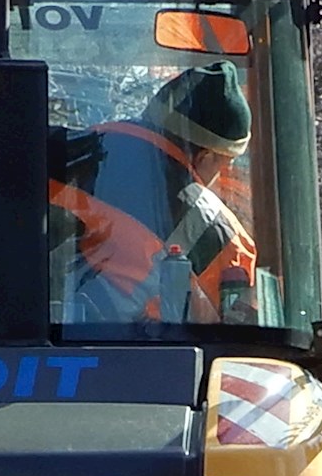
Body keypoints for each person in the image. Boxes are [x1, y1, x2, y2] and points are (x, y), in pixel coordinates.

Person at [58, 61, 264, 326]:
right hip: (134, 361)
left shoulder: (66, 152)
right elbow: (236, 335)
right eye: (226, 162)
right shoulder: (216, 231)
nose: (225, 173)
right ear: (206, 155)